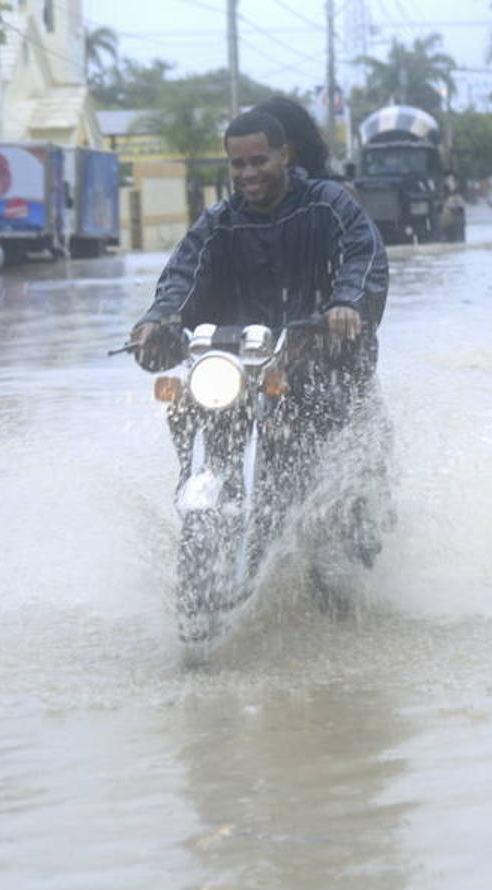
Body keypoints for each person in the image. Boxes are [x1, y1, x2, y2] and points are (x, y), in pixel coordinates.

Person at [128, 109, 391, 568]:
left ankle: (344, 548)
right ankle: (205, 504)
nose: (248, 173)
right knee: (187, 403)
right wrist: (160, 320)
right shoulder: (218, 223)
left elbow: (361, 254)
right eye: (238, 164)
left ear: (284, 156)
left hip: (316, 359)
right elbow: (184, 275)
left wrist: (346, 302)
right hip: (236, 367)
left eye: (259, 161)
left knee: (345, 474)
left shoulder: (327, 204)